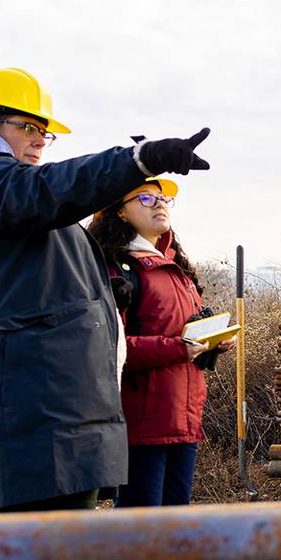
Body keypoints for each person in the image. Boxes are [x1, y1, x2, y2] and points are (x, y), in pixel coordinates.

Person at [0, 66, 211, 515]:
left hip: (46, 427)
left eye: (46, 132)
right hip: (11, 432)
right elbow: (37, 196)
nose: (40, 140)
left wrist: (102, 293)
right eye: (28, 127)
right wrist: (135, 162)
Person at [87, 178, 234, 507]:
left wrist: (211, 342)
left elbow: (183, 333)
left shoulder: (175, 266)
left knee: (175, 529)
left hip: (184, 415)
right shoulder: (117, 269)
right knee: (142, 532)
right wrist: (180, 348)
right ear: (120, 213)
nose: (160, 203)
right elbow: (112, 347)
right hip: (142, 420)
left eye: (163, 197)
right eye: (146, 198)